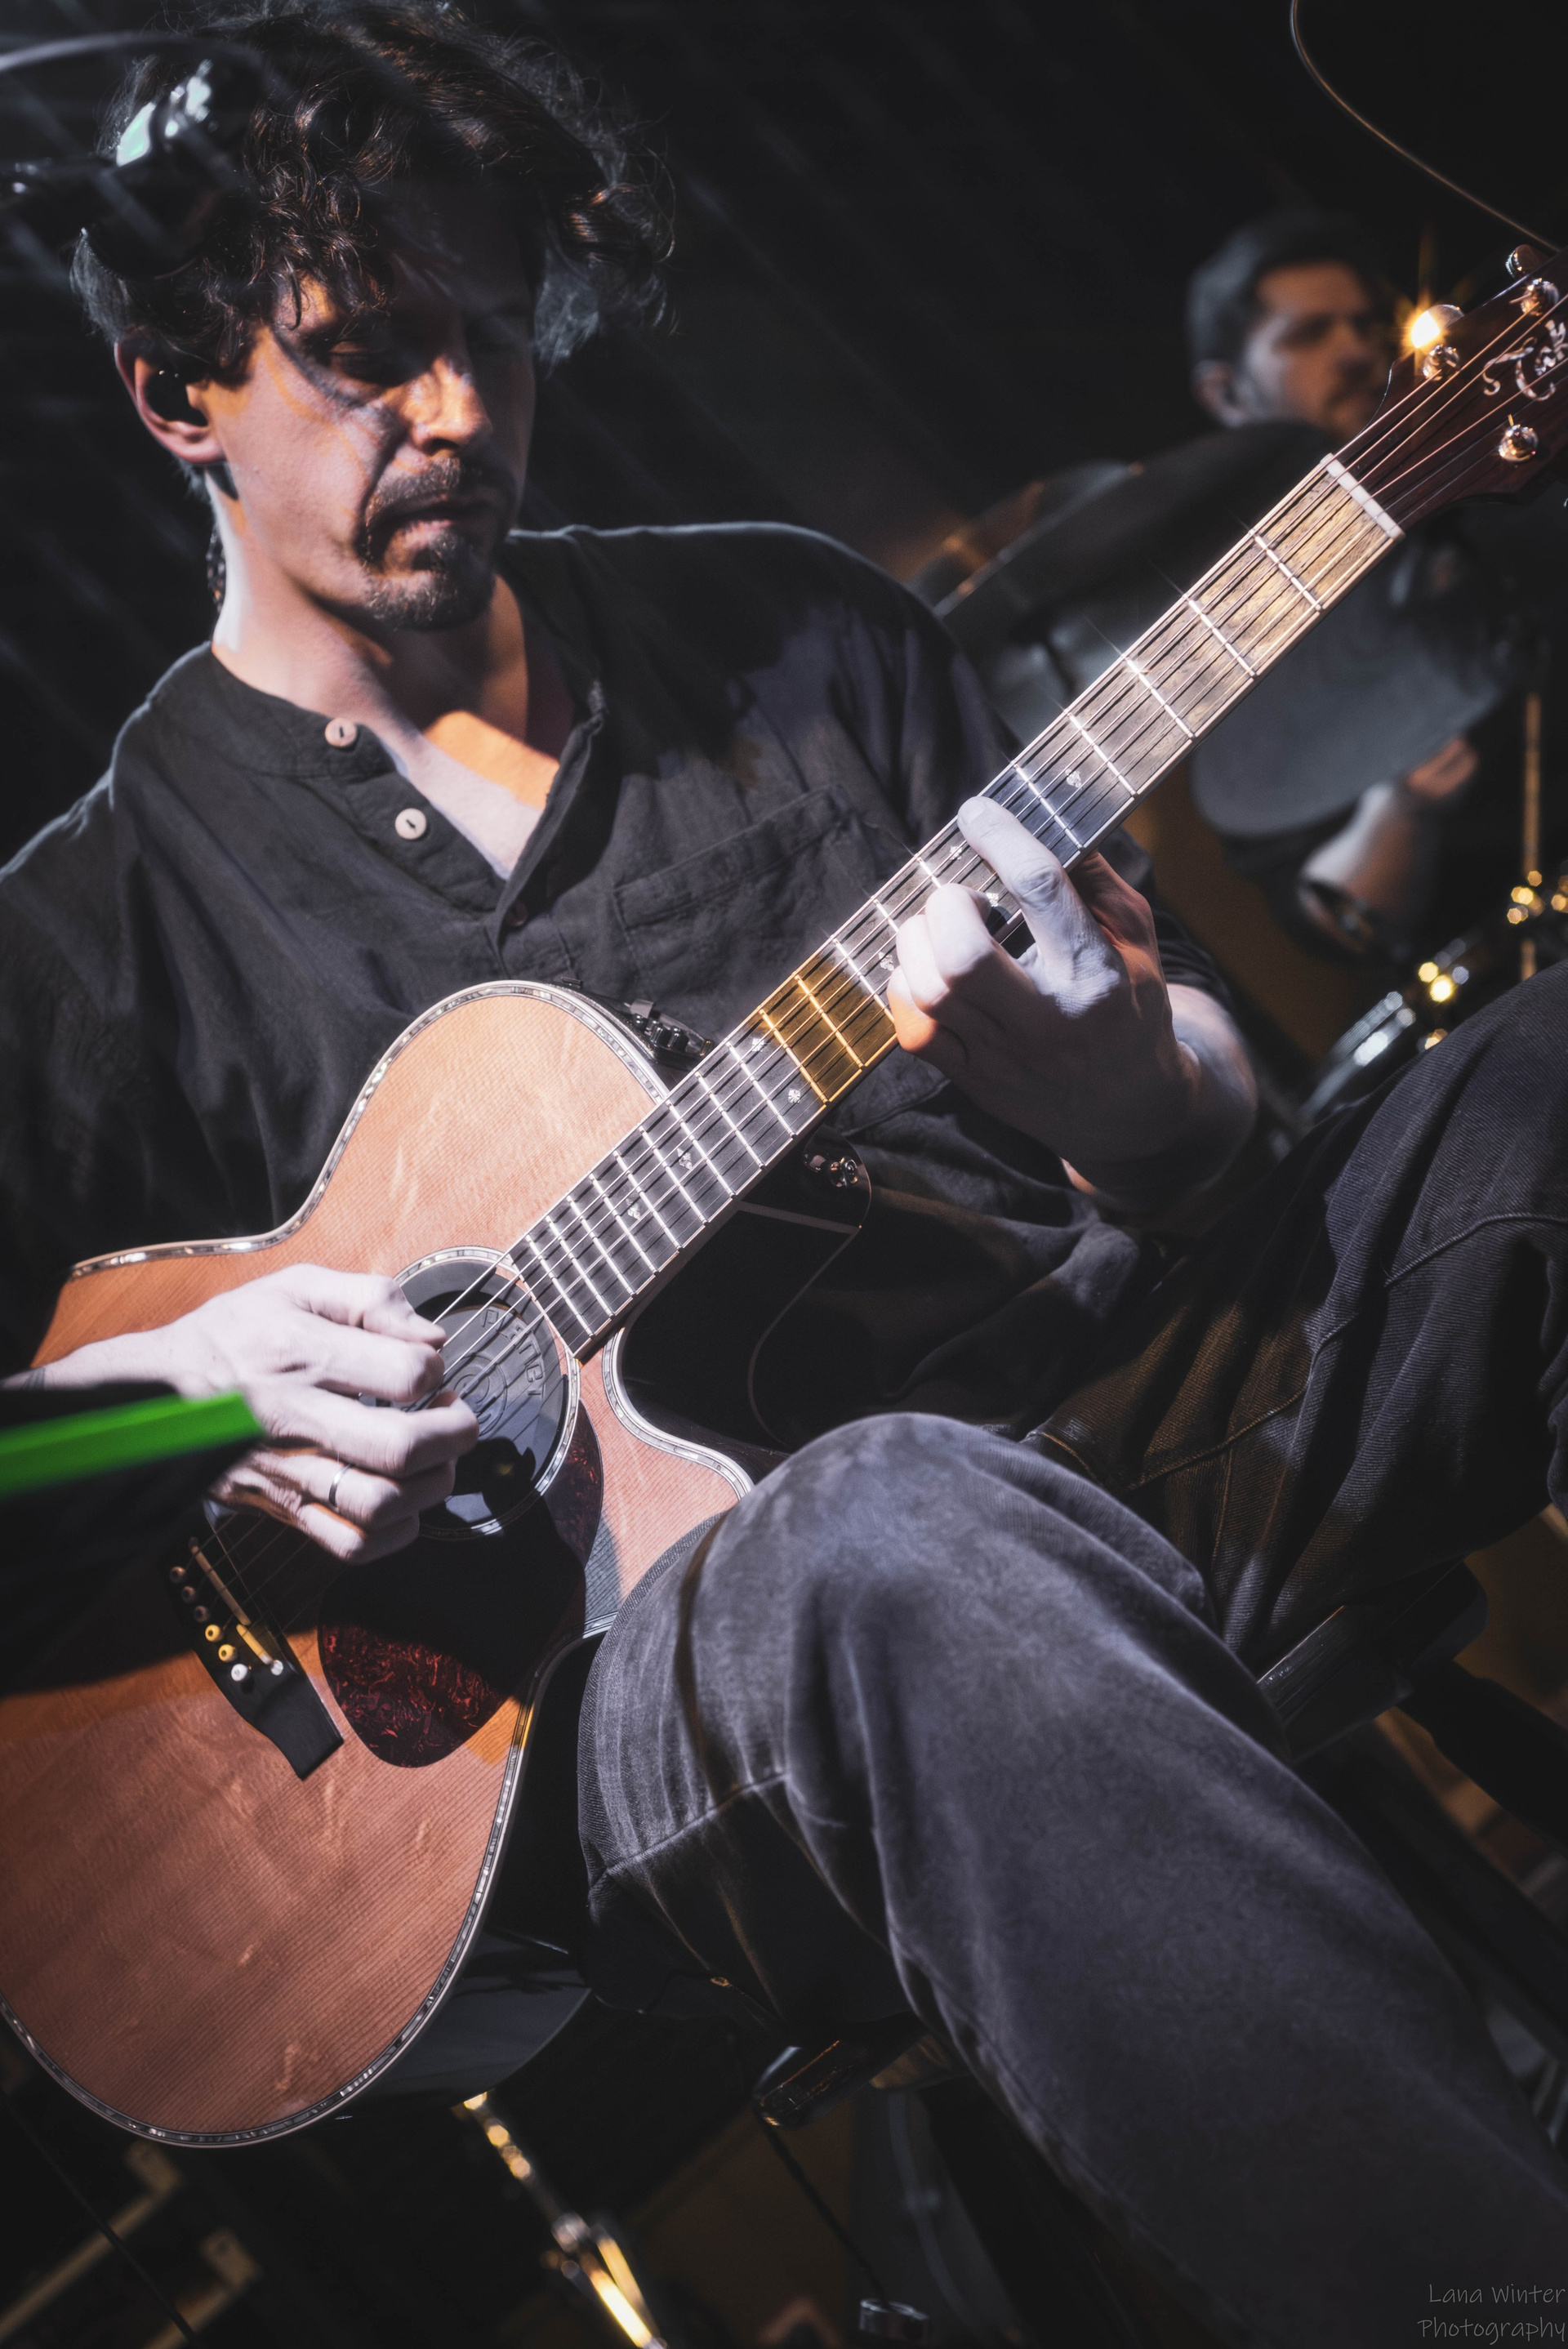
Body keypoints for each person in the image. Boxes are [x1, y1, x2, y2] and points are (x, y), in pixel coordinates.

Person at [1, 11, 1565, 2343]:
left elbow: (1207, 1136)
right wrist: (189, 1398)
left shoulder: (794, 627)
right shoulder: (86, 949)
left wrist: (1126, 1084)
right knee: (885, 1528)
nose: (460, 409)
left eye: (495, 333)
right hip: (660, 1711)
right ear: (174, 395)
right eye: (367, 352)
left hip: (1121, 1421)